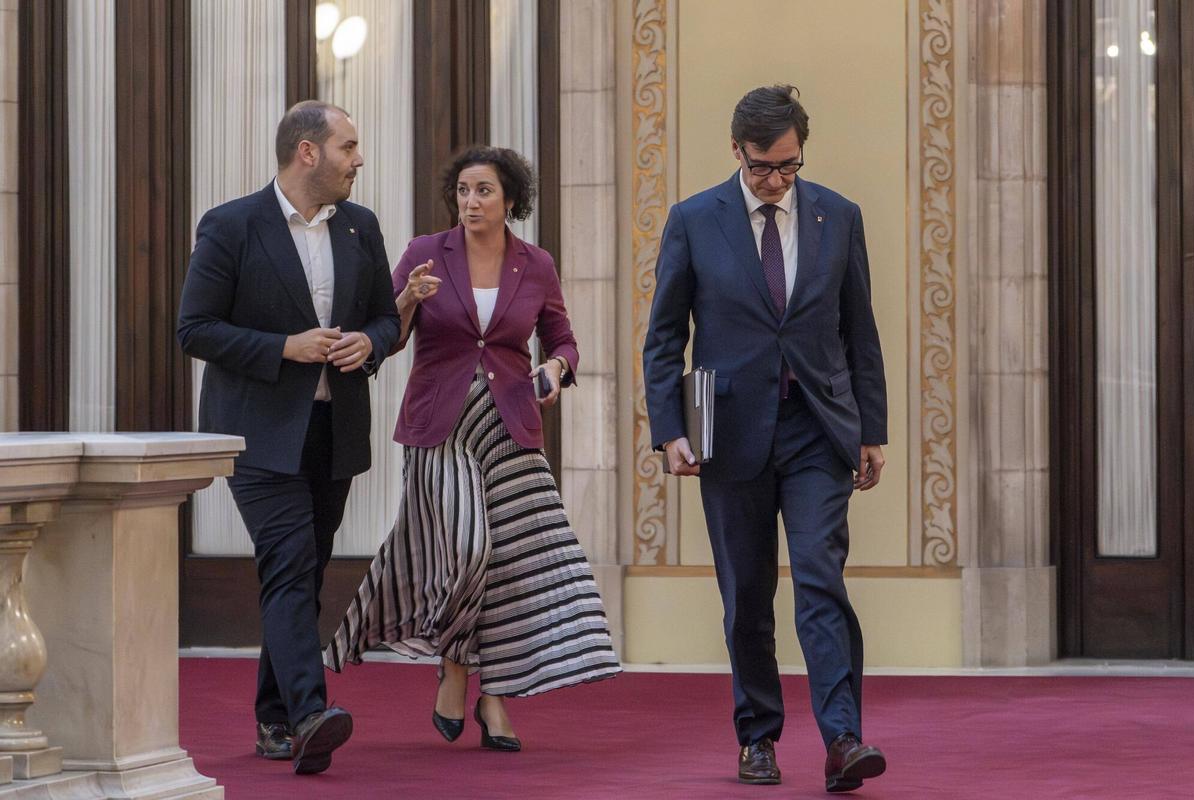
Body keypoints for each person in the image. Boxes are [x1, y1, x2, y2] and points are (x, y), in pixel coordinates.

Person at [323, 145, 620, 751]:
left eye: (483, 191)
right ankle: (456, 667)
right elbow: (389, 338)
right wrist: (408, 298)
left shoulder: (535, 263)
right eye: (462, 191)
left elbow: (561, 336)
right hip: (440, 425)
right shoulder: (425, 254)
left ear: (510, 199)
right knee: (468, 546)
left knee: (509, 564)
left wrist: (558, 369)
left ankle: (496, 698)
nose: (471, 202)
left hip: (510, 425)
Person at [642, 85, 889, 793]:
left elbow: (859, 331)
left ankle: (844, 737)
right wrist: (670, 431)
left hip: (818, 429)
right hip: (730, 435)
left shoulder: (837, 216)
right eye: (762, 168)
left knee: (820, 579)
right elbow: (664, 337)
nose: (776, 180)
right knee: (747, 595)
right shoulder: (695, 220)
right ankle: (758, 738)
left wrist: (872, 428)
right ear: (737, 152)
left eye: (788, 165)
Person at [177, 100, 401, 775]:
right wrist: (287, 347)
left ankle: (274, 720)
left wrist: (369, 342)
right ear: (308, 152)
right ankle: (308, 713)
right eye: (348, 147)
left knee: (300, 570)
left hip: (335, 431)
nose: (358, 159)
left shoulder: (361, 227)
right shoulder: (231, 226)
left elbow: (387, 319)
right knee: (289, 560)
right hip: (259, 434)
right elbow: (195, 329)